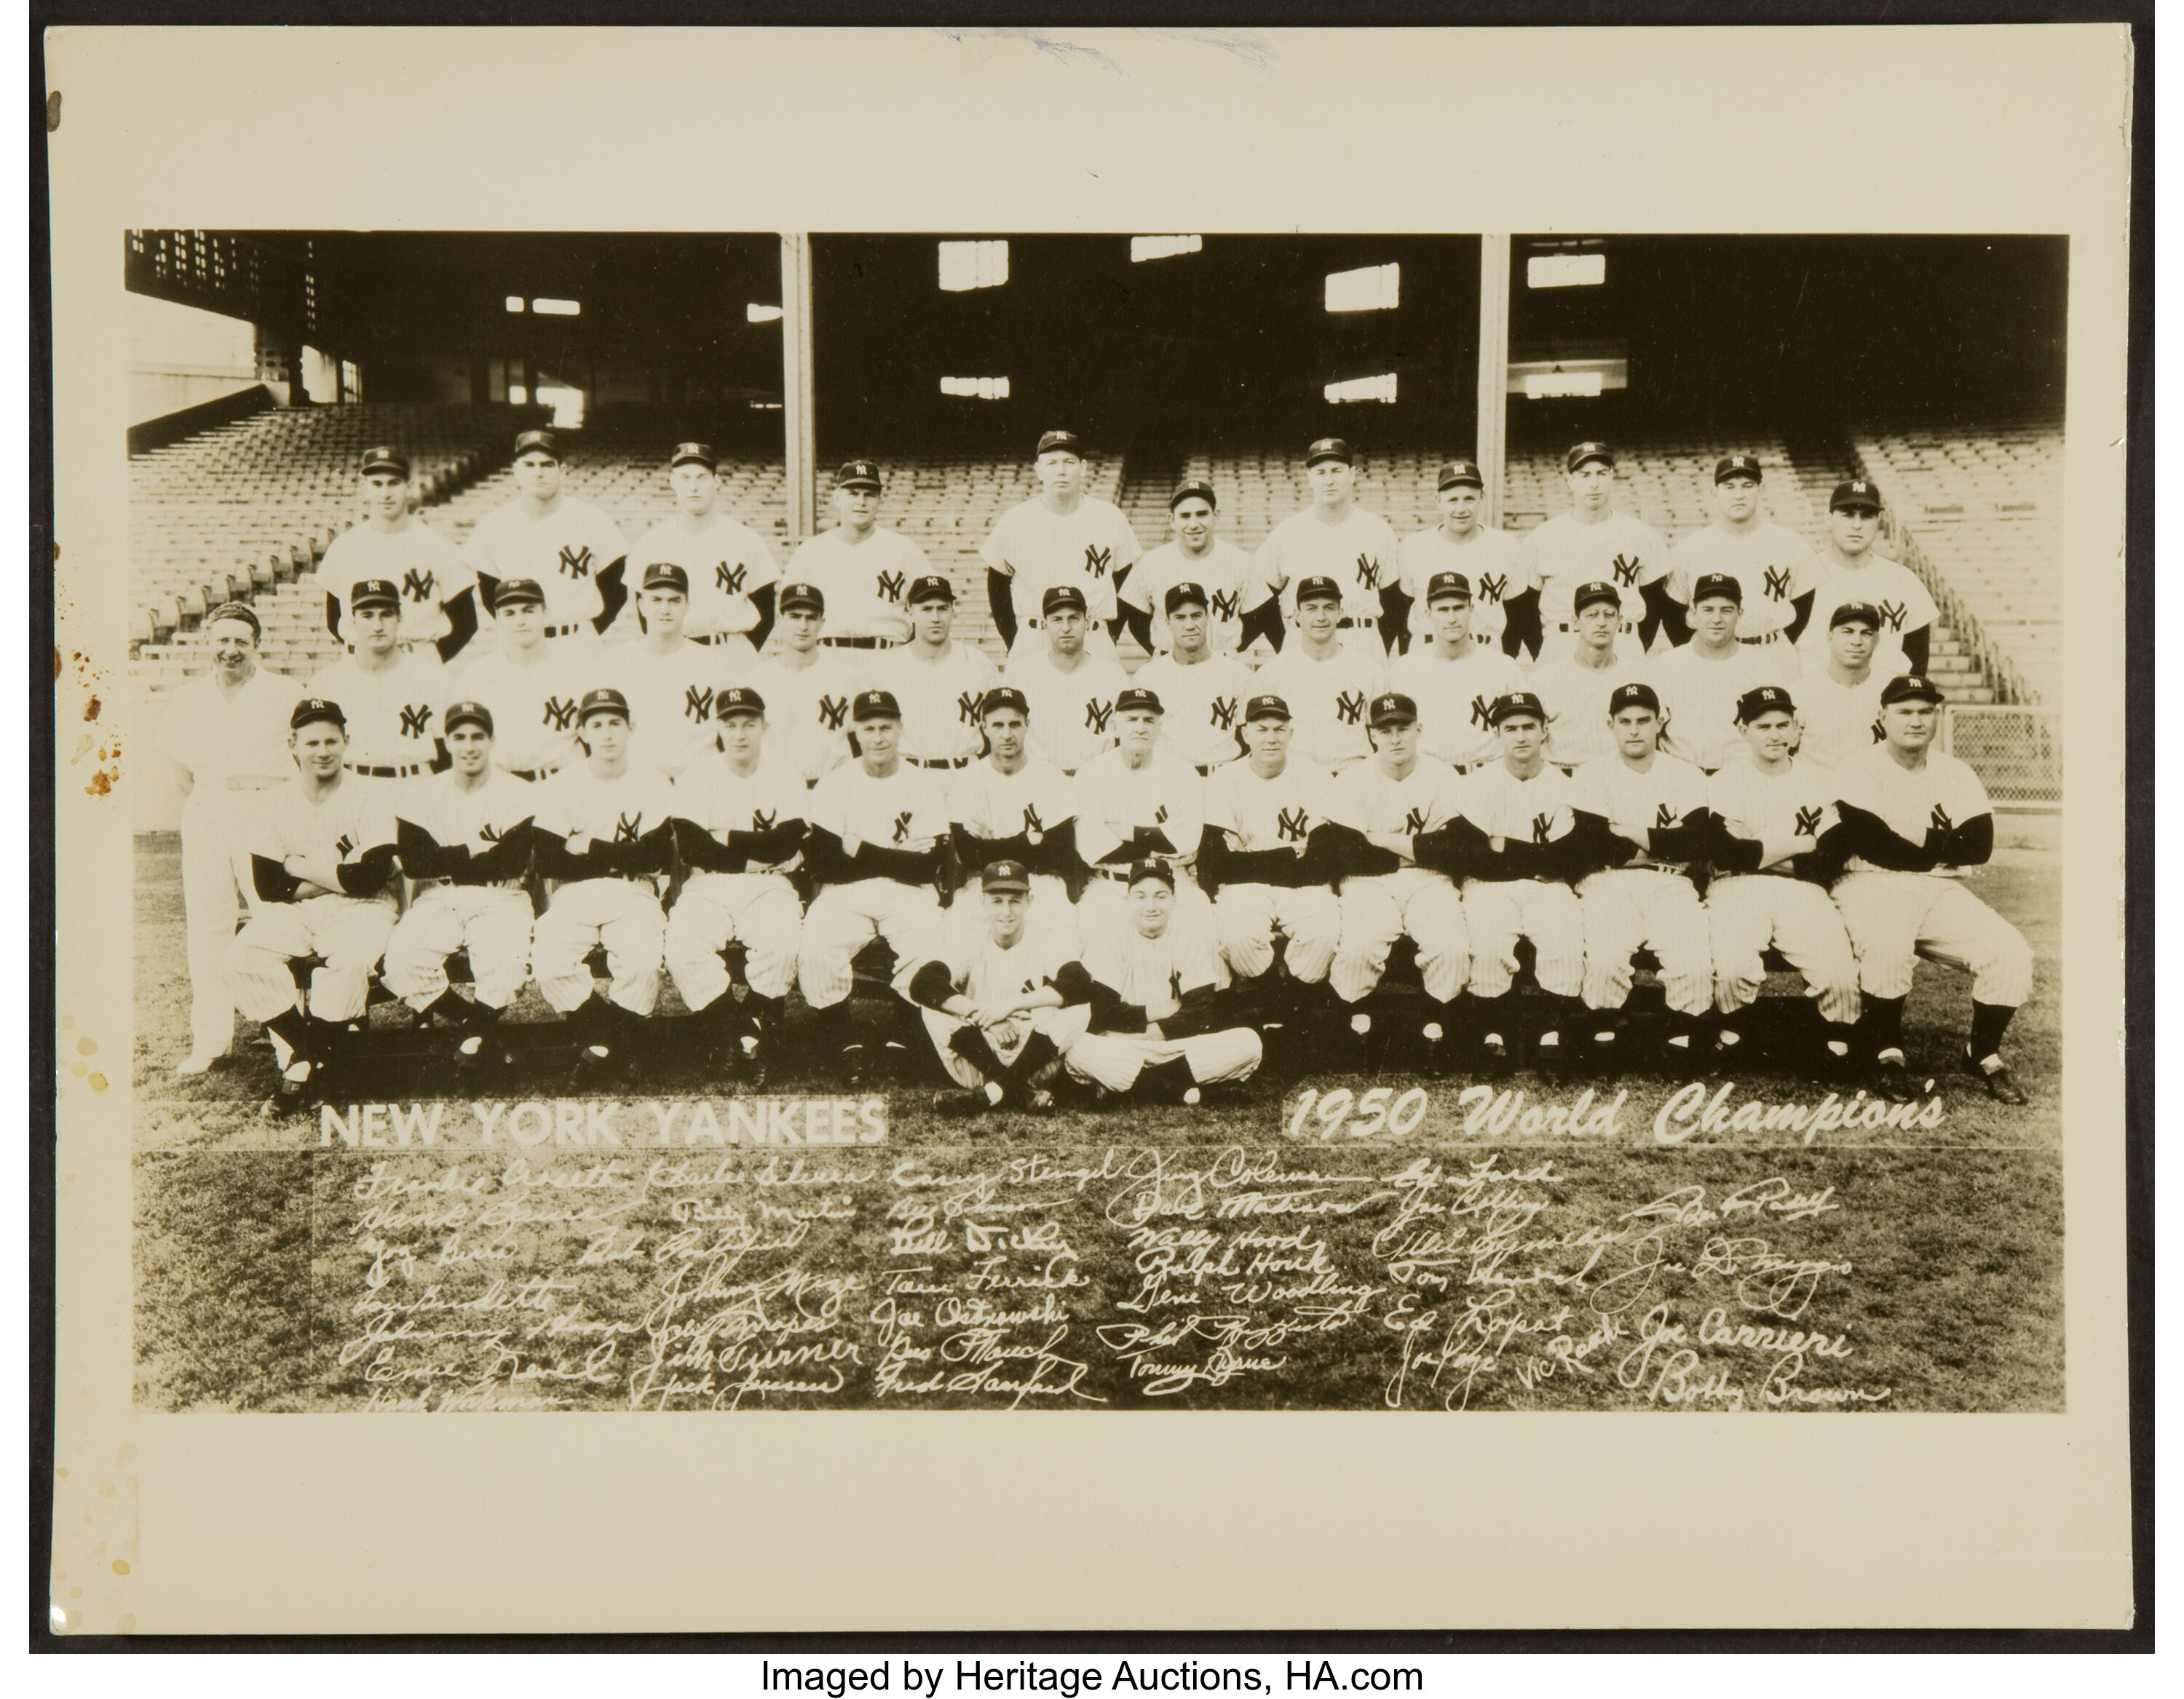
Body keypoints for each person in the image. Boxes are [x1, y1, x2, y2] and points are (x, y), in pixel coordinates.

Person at [1828, 673, 2033, 1104]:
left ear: (1936, 717)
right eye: (1904, 711)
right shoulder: (1857, 766)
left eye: (1925, 711)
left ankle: (1982, 1053)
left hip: (1937, 887)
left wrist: (1909, 841)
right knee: (1886, 946)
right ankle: (1888, 1053)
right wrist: (1941, 845)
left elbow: (1980, 846)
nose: (1916, 721)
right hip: (1867, 881)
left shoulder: (1954, 771)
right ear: (1882, 717)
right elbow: (1871, 843)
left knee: (2009, 951)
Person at [153, 601, 305, 1074]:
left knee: (274, 921)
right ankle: (211, 1042)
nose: (231, 650)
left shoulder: (286, 692)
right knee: (208, 925)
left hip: (267, 807)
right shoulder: (188, 698)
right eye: (222, 640)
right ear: (208, 643)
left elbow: (305, 758)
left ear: (257, 644)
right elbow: (178, 770)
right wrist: (209, 802)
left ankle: (291, 1043)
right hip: (209, 808)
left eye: (241, 640)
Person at [223, 698, 400, 1100]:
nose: (323, 751)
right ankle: (311, 1054)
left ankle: (306, 1066)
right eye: (312, 742)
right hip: (298, 909)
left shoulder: (371, 794)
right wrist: (343, 876)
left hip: (364, 909)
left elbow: (372, 878)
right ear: (293, 745)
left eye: (332, 741)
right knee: (241, 959)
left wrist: (297, 866)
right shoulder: (274, 801)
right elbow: (268, 888)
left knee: (350, 962)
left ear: (346, 741)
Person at [1704, 686, 1865, 1074]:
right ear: (1743, 729)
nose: (1774, 734)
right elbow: (1727, 855)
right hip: (1735, 888)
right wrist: (1800, 843)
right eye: (1763, 726)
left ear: (1796, 729)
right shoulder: (1726, 780)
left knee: (1838, 972)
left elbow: (1827, 861)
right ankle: (1731, 1032)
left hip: (1803, 890)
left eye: (1783, 725)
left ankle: (1837, 1039)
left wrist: (1757, 850)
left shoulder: (1823, 781)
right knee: (1731, 965)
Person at [1432, 692, 1593, 1074]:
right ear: (1496, 734)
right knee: (1488, 947)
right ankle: (1493, 1033)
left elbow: (1566, 859)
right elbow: (1474, 857)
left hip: (1548, 886)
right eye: (1510, 729)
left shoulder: (1566, 784)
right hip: (1488, 886)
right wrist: (1533, 857)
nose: (1520, 736)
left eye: (1528, 727)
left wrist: (1504, 846)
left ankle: (1552, 1033)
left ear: (1545, 732)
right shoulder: (1476, 783)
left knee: (1566, 945)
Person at [796, 689, 951, 1082]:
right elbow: (823, 862)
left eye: (886, 727)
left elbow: (927, 867)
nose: (878, 737)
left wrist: (857, 847)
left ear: (900, 730)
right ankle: (842, 1037)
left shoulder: (924, 783)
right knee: (817, 945)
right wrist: (896, 857)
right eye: (869, 728)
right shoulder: (835, 783)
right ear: (855, 732)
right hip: (847, 892)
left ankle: (904, 1034)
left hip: (909, 892)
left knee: (928, 943)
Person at [529, 689, 679, 1078]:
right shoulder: (563, 784)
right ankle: (617, 1039)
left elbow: (654, 858)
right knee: (548, 964)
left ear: (631, 728)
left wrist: (587, 844)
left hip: (635, 890)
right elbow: (549, 859)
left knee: (644, 963)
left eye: (615, 723)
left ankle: (603, 1047)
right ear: (581, 732)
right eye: (596, 724)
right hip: (574, 894)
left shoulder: (653, 782)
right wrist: (621, 852)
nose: (608, 733)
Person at [381, 701, 538, 1072]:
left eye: (478, 737)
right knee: (403, 963)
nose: (469, 746)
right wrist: (472, 850)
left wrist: (446, 855)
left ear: (492, 741)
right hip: (439, 896)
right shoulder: (421, 793)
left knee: (504, 965)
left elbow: (512, 862)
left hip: (501, 895)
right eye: (459, 737)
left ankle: (473, 1037)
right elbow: (417, 864)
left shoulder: (518, 791)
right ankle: (479, 1033)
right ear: (447, 742)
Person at [1567, 683, 1716, 1069]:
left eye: (1644, 721)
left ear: (1659, 721)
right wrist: (1666, 841)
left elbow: (1696, 842)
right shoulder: (1591, 773)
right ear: (1610, 725)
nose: (1634, 730)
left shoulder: (1685, 774)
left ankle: (1682, 1029)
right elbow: (1594, 845)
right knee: (1604, 958)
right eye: (1625, 721)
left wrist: (1630, 831)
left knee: (1694, 962)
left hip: (1671, 883)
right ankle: (1604, 1025)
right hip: (1607, 882)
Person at [665, 686, 809, 1083]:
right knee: (682, 951)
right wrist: (753, 848)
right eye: (731, 724)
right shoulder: (699, 773)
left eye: (750, 724)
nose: (741, 734)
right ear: (719, 728)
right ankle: (745, 1034)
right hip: (709, 886)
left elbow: (787, 843)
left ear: (765, 727)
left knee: (782, 947)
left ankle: (735, 1038)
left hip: (769, 884)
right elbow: (694, 849)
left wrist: (724, 836)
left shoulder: (785, 773)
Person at [1325, 692, 1470, 1072]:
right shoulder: (1353, 778)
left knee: (1451, 946)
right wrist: (1422, 846)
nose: (1395, 738)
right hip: (1367, 881)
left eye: (1403, 728)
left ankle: (1435, 1029)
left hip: (1431, 880)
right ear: (1371, 734)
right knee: (1358, 948)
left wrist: (1380, 838)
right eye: (1384, 729)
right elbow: (1346, 852)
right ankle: (1357, 1029)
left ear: (1419, 729)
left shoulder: (1444, 775)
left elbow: (1454, 849)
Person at [1060, 860, 1263, 1106]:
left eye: (1160, 896)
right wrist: (1156, 1011)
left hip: (1160, 1045)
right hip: (1119, 1046)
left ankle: (1136, 1087)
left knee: (1249, 1043)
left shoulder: (1187, 935)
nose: (1151, 906)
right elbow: (1102, 1011)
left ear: (1174, 899)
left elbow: (1199, 1013)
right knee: (1078, 1049)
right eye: (1141, 896)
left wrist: (1140, 1037)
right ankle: (1187, 1092)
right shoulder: (1111, 936)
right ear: (1128, 900)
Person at [1198, 694, 1345, 1031]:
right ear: (1245, 733)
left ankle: (1289, 1010)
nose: (1271, 737)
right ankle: (1278, 1000)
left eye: (1280, 729)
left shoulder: (1317, 777)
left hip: (1306, 887)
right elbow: (1218, 864)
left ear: (1292, 733)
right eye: (1261, 728)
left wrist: (1248, 859)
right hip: (1246, 889)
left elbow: (1322, 862)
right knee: (1237, 936)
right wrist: (1290, 855)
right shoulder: (1224, 779)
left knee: (1323, 934)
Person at [910, 860, 1089, 1117]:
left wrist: (1009, 1007)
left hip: (1032, 1054)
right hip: (978, 1058)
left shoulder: (1046, 938)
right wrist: (987, 1019)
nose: (1006, 911)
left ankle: (994, 1093)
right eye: (997, 901)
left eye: (1015, 900)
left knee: (1081, 1007)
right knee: (932, 1007)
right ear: (983, 901)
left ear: (1029, 901)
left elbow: (1080, 983)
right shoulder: (971, 939)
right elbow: (923, 983)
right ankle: (1015, 1091)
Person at [1072, 686, 1217, 963]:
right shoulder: (1090, 774)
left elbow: (1187, 840)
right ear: (1114, 726)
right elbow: (1094, 849)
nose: (1140, 727)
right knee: (1091, 934)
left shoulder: (1183, 772)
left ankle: (1203, 1005)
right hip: (1114, 885)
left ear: (1159, 727)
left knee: (1204, 932)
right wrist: (1158, 840)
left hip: (1175, 882)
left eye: (1149, 720)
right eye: (1132, 719)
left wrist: (1125, 832)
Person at [944, 686, 1083, 957]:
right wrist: (1027, 841)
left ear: (1027, 725)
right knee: (957, 935)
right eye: (998, 725)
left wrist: (990, 845)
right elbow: (969, 855)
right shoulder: (966, 780)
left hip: (1041, 882)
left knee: (1064, 938)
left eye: (1014, 724)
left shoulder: (1052, 777)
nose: (1007, 734)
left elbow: (1058, 853)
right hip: (981, 883)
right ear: (984, 727)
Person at [462, 428, 630, 646]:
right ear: (515, 470)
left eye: (547, 465)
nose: (538, 473)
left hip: (577, 639)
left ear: (563, 470)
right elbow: (489, 593)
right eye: (529, 465)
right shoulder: (494, 524)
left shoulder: (593, 520)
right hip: (520, 643)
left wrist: (587, 632)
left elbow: (616, 591)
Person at [1506, 442, 1674, 660]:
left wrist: (1635, 642)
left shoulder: (1641, 534)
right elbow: (1525, 604)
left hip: (1623, 640)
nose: (1594, 483)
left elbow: (1655, 601)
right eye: (1585, 475)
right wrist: (1544, 649)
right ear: (1570, 481)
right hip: (1562, 641)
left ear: (1612, 476)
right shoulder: (1543, 537)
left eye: (1601, 474)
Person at [979, 429, 1142, 653]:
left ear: (1083, 468)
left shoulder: (1110, 517)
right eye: (1052, 463)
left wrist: (1110, 634)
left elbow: (1125, 581)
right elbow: (996, 583)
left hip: (1093, 634)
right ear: (1039, 470)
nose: (1061, 471)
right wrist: (1013, 638)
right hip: (1035, 634)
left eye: (1069, 462)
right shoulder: (1016, 519)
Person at [317, 445, 477, 665]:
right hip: (360, 661)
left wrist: (431, 661)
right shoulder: (344, 547)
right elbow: (334, 619)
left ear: (409, 487)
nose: (386, 493)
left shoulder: (439, 547)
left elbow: (466, 623)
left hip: (418, 655)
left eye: (394, 483)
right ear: (365, 488)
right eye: (377, 484)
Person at [622, 441, 780, 663]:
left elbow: (766, 611)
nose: (693, 487)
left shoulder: (746, 539)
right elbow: (645, 612)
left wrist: (743, 652)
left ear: (716, 482)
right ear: (672, 482)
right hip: (677, 652)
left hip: (730, 651)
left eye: (702, 477)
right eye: (685, 478)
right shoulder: (651, 543)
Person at [1252, 437, 1405, 653]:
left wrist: (1379, 645)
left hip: (1361, 637)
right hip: (1304, 642)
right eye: (1321, 473)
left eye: (1336, 471)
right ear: (1310, 478)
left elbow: (1394, 603)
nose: (1329, 480)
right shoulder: (1287, 533)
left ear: (1352, 474)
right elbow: (1260, 599)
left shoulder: (1378, 530)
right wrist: (1285, 642)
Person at [1663, 454, 1821, 659]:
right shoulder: (1689, 548)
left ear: (1761, 490)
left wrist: (1777, 641)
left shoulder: (1791, 543)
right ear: (1715, 492)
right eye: (1729, 486)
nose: (1739, 495)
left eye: (1748, 486)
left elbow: (1803, 606)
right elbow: (1673, 613)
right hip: (1714, 652)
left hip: (1773, 648)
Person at [598, 562, 737, 779]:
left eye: (674, 601)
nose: (665, 610)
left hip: (699, 781)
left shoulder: (713, 662)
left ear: (687, 605)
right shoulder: (616, 663)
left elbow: (731, 729)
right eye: (656, 600)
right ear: (642, 605)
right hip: (638, 782)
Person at [307, 579, 448, 788]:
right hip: (351, 785)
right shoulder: (328, 681)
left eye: (386, 614)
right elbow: (307, 748)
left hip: (414, 783)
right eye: (367, 616)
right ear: (353, 620)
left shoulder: (432, 677)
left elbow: (450, 748)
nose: (377, 626)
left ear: (400, 618)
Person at [1650, 574, 1794, 774]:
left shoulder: (1761, 666)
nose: (1717, 619)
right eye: (1708, 610)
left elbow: (1784, 731)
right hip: (1680, 776)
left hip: (1740, 777)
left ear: (1740, 614)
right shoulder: (1665, 666)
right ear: (1693, 613)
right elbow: (1648, 731)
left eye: (1726, 611)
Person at [1385, 571, 1527, 773]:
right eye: (1443, 610)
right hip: (1429, 777)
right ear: (1428, 614)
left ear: (1471, 609)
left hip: (1486, 775)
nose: (1452, 618)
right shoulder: (1404, 669)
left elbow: (1520, 729)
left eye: (1459, 608)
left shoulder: (1503, 667)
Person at [1797, 478, 1937, 678]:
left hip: (1884, 699)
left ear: (1878, 522)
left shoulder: (1904, 581)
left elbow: (1917, 660)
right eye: (1847, 515)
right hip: (1817, 700)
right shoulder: (1803, 576)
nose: (1857, 525)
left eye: (1866, 517)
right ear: (1829, 518)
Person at [786, 459, 933, 649]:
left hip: (887, 655)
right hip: (828, 656)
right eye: (853, 494)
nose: (861, 502)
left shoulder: (903, 549)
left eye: (869, 495)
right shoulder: (810, 551)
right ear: (837, 498)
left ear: (880, 501)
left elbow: (932, 604)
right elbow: (789, 613)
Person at [1117, 480, 1270, 658]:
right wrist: (1159, 651)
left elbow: (1260, 615)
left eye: (1202, 514)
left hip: (1223, 660)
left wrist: (1235, 647)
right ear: (1172, 520)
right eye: (1185, 516)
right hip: (1170, 663)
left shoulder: (1241, 561)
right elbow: (1136, 618)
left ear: (1216, 516)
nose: (1194, 524)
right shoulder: (1151, 563)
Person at [453, 578, 586, 781]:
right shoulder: (476, 676)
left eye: (529, 610)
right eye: (510, 613)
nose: (520, 621)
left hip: (562, 782)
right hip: (501, 786)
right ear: (498, 618)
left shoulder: (577, 671)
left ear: (546, 614)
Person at [1251, 575, 1386, 772]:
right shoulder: (1274, 672)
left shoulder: (1368, 669)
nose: (1321, 617)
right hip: (1298, 778)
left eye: (1329, 608)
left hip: (1352, 776)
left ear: (1340, 613)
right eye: (1311, 608)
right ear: (1297, 614)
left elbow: (1382, 733)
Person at [1396, 459, 1529, 655]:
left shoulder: (1506, 546)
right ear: (1438, 500)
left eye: (1469, 499)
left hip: (1486, 650)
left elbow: (1517, 614)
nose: (1461, 509)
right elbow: (1402, 612)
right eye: (1452, 500)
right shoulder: (1414, 546)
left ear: (1482, 498)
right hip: (1427, 652)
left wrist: (1505, 659)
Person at [742, 582, 863, 785]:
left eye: (811, 618)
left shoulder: (847, 678)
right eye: (795, 617)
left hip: (833, 787)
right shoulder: (757, 680)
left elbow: (862, 740)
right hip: (777, 789)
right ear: (780, 620)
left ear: (822, 622)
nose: (803, 626)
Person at [1529, 581, 1654, 772]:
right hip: (1565, 779)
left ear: (1620, 620)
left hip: (1621, 779)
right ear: (1576, 622)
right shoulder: (1546, 677)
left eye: (1609, 615)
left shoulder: (1640, 674)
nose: (1602, 623)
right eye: (1592, 615)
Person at [877, 574, 998, 773]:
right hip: (910, 775)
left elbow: (999, 725)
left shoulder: (979, 664)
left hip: (965, 773)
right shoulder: (888, 667)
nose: (935, 618)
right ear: (909, 612)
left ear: (952, 611)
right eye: (926, 609)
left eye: (942, 609)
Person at [1005, 585, 1128, 776]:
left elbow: (1126, 737)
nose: (1066, 628)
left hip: (1097, 781)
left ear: (1086, 623)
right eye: (1057, 619)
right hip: (1040, 780)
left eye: (1074, 618)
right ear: (1045, 625)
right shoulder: (1021, 674)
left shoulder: (1113, 675)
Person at [1133, 582, 1255, 774]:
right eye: (1180, 618)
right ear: (1167, 622)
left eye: (1196, 616)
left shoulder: (1237, 674)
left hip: (1221, 777)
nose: (1189, 625)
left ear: (1207, 618)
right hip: (1170, 778)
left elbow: (1250, 738)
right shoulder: (1147, 677)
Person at [1792, 601, 1888, 775]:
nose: (1856, 641)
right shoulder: (1802, 691)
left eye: (1866, 633)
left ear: (1877, 640)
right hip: (1817, 793)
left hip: (1872, 792)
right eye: (1847, 632)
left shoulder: (1891, 690)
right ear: (1830, 637)